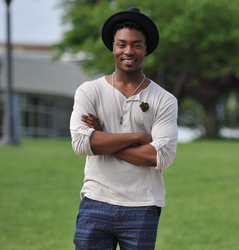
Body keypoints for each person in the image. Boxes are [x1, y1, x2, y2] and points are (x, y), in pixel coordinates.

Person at [70, 7, 178, 250]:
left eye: (137, 45)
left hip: (143, 204)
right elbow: (80, 144)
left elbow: (161, 156)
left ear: (146, 48)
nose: (129, 51)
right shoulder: (90, 92)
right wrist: (139, 137)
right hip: (96, 200)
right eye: (122, 44)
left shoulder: (165, 99)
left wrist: (101, 138)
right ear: (113, 47)